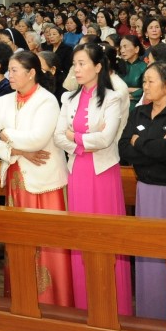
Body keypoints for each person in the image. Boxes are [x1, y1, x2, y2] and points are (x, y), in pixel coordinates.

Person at [0, 51, 73, 306]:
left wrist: (5, 134)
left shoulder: (47, 101)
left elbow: (37, 138)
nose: (9, 75)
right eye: (9, 70)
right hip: (16, 179)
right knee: (18, 239)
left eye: (14, 70)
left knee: (47, 242)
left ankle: (54, 303)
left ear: (31, 73)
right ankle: (21, 298)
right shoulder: (3, 101)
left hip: (45, 182)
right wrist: (18, 150)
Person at [53, 43, 131, 315]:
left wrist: (75, 136)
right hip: (78, 170)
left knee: (105, 236)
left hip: (103, 172)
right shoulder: (67, 98)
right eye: (74, 63)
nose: (76, 69)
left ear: (98, 67)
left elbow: (106, 138)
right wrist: (81, 143)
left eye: (82, 63)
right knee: (81, 236)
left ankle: (113, 305)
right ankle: (84, 304)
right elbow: (58, 136)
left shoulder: (112, 98)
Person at [119, 60, 166, 320]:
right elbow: (124, 149)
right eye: (144, 81)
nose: (146, 86)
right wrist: (151, 145)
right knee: (148, 254)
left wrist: (139, 141)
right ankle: (150, 314)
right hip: (146, 189)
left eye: (151, 81)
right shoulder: (139, 112)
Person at [116, 34, 146, 107]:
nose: (122, 51)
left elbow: (146, 90)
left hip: (136, 105)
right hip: (118, 103)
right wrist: (132, 90)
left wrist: (125, 92)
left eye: (125, 47)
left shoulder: (144, 67)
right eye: (121, 47)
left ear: (136, 49)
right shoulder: (119, 66)